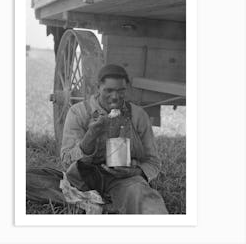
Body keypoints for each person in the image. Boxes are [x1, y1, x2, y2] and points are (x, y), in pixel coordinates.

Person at [60, 64, 168, 214]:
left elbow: (153, 161)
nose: (115, 97)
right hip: (83, 180)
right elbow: (66, 160)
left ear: (127, 89)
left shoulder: (138, 115)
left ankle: (97, 204)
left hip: (124, 179)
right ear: (98, 87)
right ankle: (101, 204)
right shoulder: (78, 112)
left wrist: (134, 172)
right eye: (109, 90)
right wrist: (91, 134)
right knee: (31, 181)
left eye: (120, 91)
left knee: (149, 203)